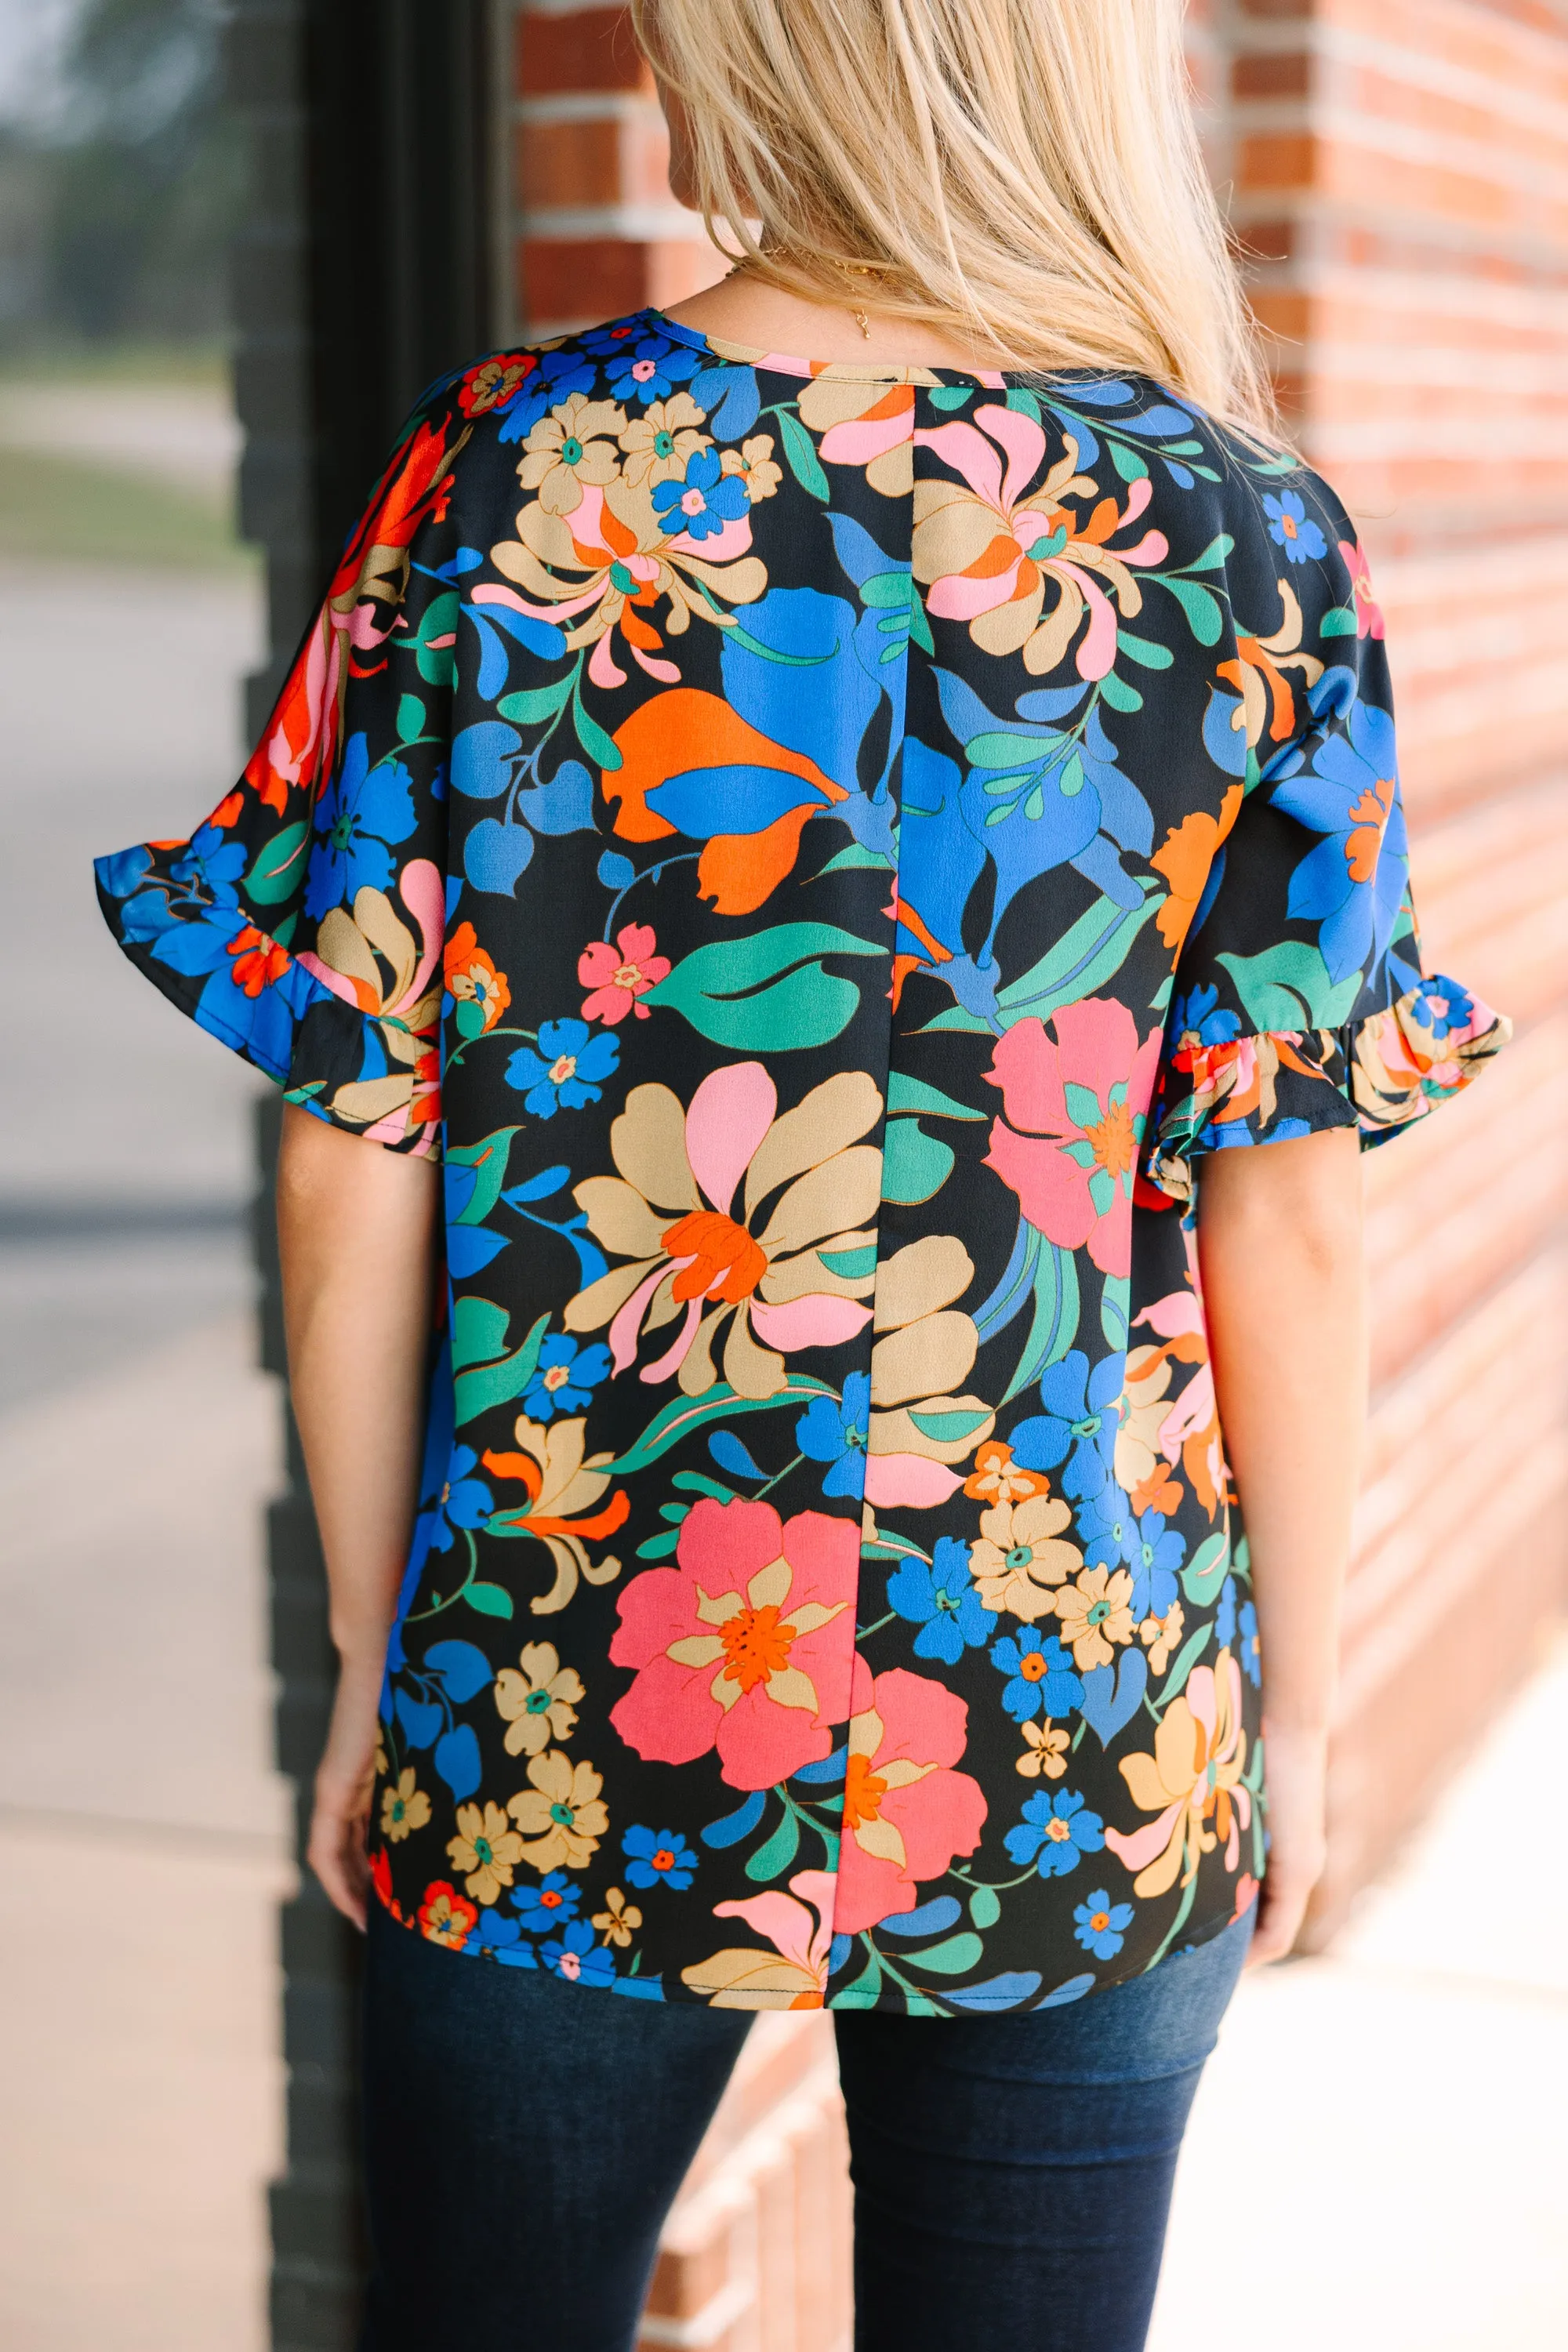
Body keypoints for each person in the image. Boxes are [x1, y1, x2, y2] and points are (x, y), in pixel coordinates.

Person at [95, 2, 1510, 2344]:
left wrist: (379, 1656)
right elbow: (1298, 1206)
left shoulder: (506, 477)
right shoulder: (1250, 545)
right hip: (1075, 1693)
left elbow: (354, 1163)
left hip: (554, 1673)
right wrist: (1304, 1715)